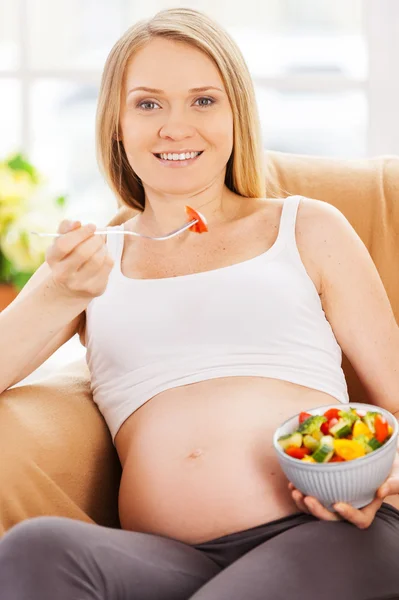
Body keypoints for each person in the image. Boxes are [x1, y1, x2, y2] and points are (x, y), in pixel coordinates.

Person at [1, 7, 399, 600]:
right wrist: (56, 294)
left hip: (331, 532)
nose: (175, 127)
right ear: (116, 121)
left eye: (204, 101)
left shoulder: (307, 227)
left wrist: (386, 479)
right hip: (172, 562)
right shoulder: (91, 262)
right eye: (148, 103)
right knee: (34, 551)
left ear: (237, 115)